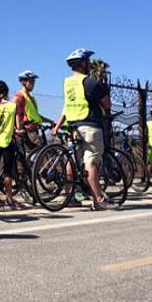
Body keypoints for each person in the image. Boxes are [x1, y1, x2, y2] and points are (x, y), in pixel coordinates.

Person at [52, 48, 117, 211]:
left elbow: (67, 106)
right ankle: (98, 200)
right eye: (87, 61)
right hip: (90, 125)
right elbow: (107, 104)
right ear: (82, 63)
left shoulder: (68, 84)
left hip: (73, 125)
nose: (89, 64)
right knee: (92, 161)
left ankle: (70, 196)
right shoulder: (91, 83)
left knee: (72, 160)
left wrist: (58, 125)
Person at [0, 80, 24, 211]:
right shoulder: (12, 106)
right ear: (5, 93)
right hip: (7, 141)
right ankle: (9, 200)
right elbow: (18, 127)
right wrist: (18, 131)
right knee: (8, 172)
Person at [13, 70, 53, 149]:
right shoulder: (20, 96)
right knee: (37, 155)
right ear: (23, 82)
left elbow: (35, 115)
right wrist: (19, 129)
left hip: (34, 129)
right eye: (30, 81)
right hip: (27, 131)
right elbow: (17, 114)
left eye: (34, 81)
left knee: (39, 154)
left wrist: (50, 121)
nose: (33, 83)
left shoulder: (30, 97)